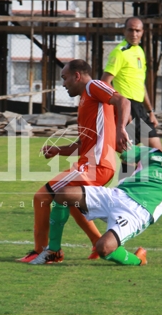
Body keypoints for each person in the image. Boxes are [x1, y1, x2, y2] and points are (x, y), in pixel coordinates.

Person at [36, 125, 162, 266]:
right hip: (116, 195)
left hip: (136, 213)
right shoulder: (153, 154)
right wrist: (115, 131)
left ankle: (138, 260)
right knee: (63, 193)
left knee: (103, 248)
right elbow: (123, 151)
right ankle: (54, 251)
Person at [18, 59, 131, 264]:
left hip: (95, 165)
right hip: (95, 164)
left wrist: (120, 129)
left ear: (77, 76)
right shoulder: (86, 101)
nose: (63, 84)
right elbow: (82, 144)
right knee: (72, 202)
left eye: (65, 78)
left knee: (42, 196)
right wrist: (58, 151)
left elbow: (123, 101)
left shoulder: (93, 86)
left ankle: (42, 251)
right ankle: (97, 243)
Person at [101, 17, 162, 151]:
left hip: (140, 109)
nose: (134, 34)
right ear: (124, 31)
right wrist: (122, 107)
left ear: (142, 32)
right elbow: (104, 83)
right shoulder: (119, 52)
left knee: (156, 152)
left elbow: (140, 84)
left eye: (137, 31)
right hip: (129, 107)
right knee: (130, 153)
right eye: (130, 30)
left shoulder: (139, 51)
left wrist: (150, 111)